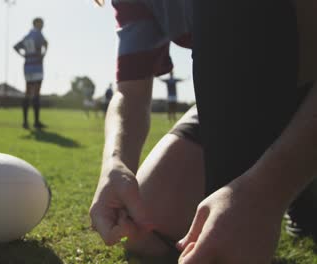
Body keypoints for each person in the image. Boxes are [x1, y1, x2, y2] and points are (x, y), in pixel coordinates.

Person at [90, 0, 317, 263]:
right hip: (245, 95)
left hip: (303, 84)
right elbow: (129, 92)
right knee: (148, 225)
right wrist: (114, 162)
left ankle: (302, 182)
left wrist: (269, 189)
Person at [14, 17, 48, 129]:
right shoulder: (38, 34)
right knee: (36, 94)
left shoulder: (27, 36)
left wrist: (24, 55)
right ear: (36, 24)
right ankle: (36, 122)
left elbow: (16, 47)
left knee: (28, 93)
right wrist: (43, 54)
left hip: (27, 66)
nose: (42, 26)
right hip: (37, 66)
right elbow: (45, 43)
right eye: (41, 23)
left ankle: (25, 122)